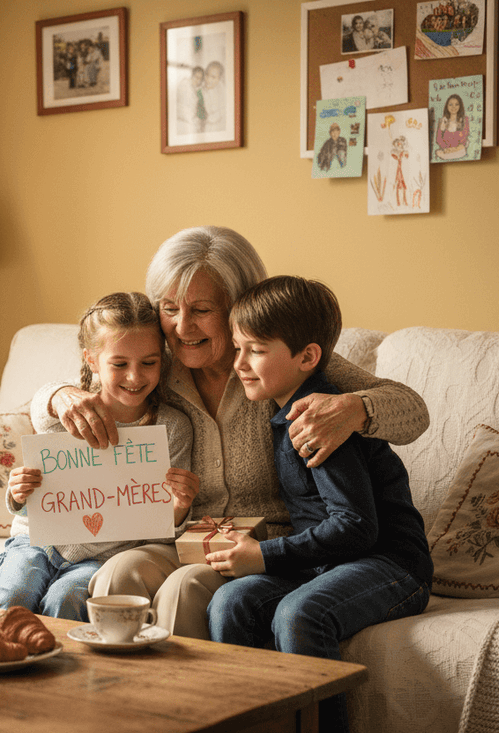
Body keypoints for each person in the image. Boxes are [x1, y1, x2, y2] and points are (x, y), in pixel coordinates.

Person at [31, 226, 430, 638]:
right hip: (185, 538)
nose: (183, 327)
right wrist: (59, 395)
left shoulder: (273, 363)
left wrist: (353, 408)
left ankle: (195, 700)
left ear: (238, 306)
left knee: (183, 589)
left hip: (267, 544)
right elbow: (70, 394)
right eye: (169, 308)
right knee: (118, 573)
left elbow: (412, 409)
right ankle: (119, 698)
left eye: (201, 309)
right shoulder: (153, 365)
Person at [208, 275, 432, 733]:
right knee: (231, 601)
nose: (239, 365)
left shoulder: (322, 420)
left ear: (306, 357)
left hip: (391, 565)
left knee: (300, 613)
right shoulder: (284, 408)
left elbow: (356, 526)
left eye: (254, 350)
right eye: (237, 348)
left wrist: (265, 555)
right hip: (332, 563)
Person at [0, 292, 199, 621]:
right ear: (91, 359)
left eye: (148, 363)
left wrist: (178, 508)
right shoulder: (66, 410)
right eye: (119, 364)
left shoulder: (172, 428)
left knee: (69, 600)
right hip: (36, 542)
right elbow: (33, 490)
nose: (135, 377)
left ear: (162, 361)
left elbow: (157, 527)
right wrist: (18, 491)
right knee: (12, 594)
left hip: (106, 555)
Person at [434, 94, 469, 161]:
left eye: (456, 104)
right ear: (447, 106)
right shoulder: (443, 121)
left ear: (460, 106)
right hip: (446, 151)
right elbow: (439, 138)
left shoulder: (464, 120)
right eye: (450, 104)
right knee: (439, 152)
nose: (453, 107)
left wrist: (456, 148)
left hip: (459, 150)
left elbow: (465, 136)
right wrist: (446, 149)